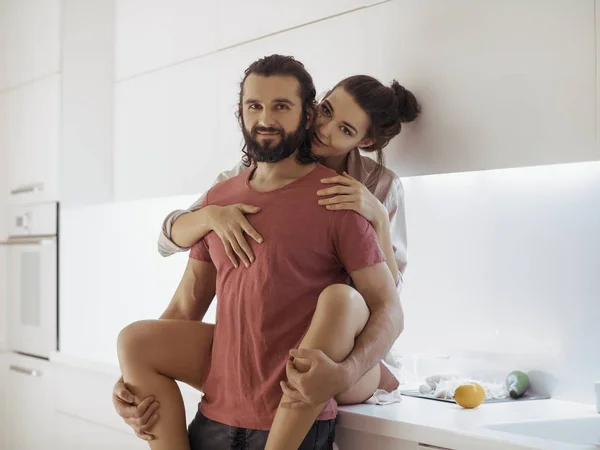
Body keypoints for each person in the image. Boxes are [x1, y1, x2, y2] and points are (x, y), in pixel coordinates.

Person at [114, 54, 417, 449]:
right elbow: (181, 285)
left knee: (342, 300)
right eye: (254, 105)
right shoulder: (226, 191)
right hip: (248, 362)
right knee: (134, 341)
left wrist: (375, 216)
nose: (324, 130)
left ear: (364, 141)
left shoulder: (355, 197)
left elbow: (388, 302)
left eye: (281, 106)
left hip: (346, 347)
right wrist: (134, 384)